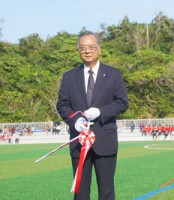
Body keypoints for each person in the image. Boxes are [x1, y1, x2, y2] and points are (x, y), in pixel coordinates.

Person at [56, 31, 128, 200]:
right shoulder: (69, 77)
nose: (87, 51)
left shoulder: (113, 74)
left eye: (91, 47)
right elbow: (62, 105)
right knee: (80, 192)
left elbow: (122, 102)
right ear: (78, 51)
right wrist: (75, 121)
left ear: (99, 49)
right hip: (79, 142)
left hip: (105, 140)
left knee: (106, 191)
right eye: (83, 48)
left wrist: (101, 112)